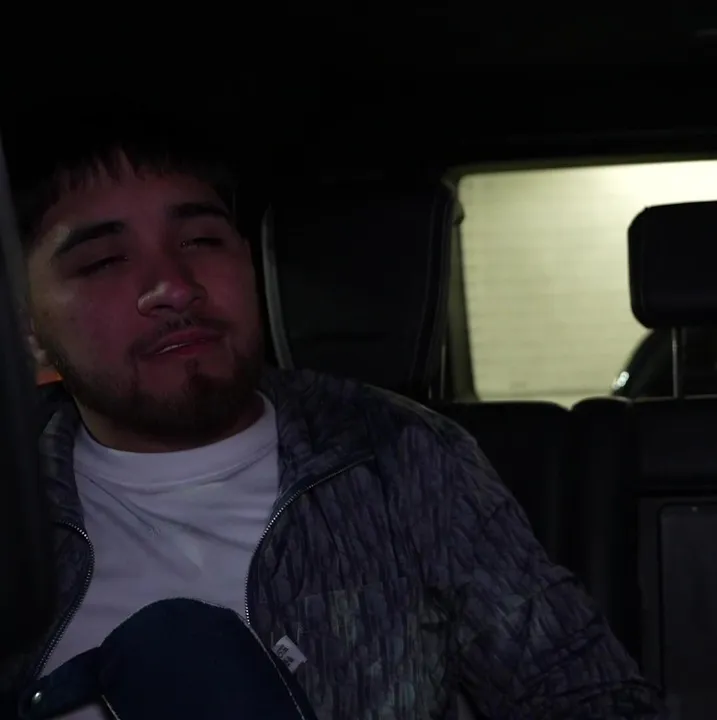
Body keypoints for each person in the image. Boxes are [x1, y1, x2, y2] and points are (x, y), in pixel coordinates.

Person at [0, 129, 664, 719]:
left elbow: (589, 696)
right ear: (26, 326)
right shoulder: (15, 501)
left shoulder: (401, 456)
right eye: (104, 261)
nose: (174, 286)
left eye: (201, 241)